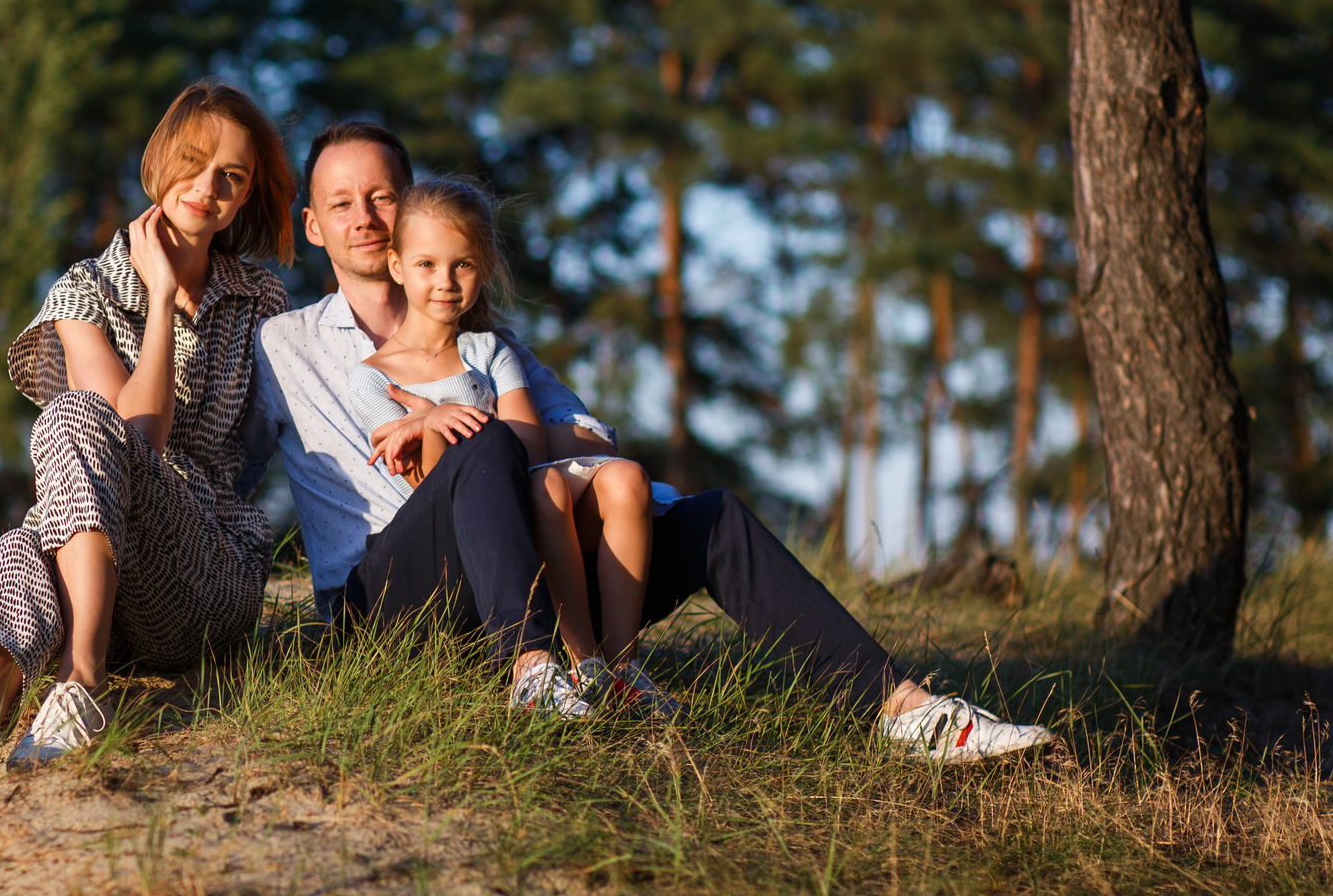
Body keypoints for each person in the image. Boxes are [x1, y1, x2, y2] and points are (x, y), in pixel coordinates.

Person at [249, 121, 1056, 763]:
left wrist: (504, 428)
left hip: (519, 568)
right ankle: (533, 673)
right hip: (393, 604)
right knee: (483, 445)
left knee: (712, 518)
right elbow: (218, 446)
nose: (364, 215)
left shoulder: (489, 343)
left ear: (414, 205)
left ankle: (903, 710)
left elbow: (587, 438)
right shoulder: (282, 342)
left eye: (382, 195)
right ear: (313, 225)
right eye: (343, 201)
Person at [0, 81, 296, 809]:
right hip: (109, 580)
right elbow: (126, 441)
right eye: (195, 160)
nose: (208, 187)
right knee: (24, 540)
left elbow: (139, 439)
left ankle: (82, 683)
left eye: (232, 177)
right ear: (159, 160)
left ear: (244, 197)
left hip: (207, 570)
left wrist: (165, 296)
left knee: (79, 419)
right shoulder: (85, 290)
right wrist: (153, 292)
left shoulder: (261, 300)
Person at [345, 175, 678, 717]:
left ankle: (619, 668)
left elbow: (525, 444)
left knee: (626, 476)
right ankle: (572, 660)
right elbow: (435, 488)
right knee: (546, 483)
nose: (446, 282)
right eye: (427, 265)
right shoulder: (371, 382)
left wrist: (433, 417)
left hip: (522, 481)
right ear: (397, 266)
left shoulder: (488, 351)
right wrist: (435, 426)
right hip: (458, 534)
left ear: (484, 269)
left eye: (463, 265)